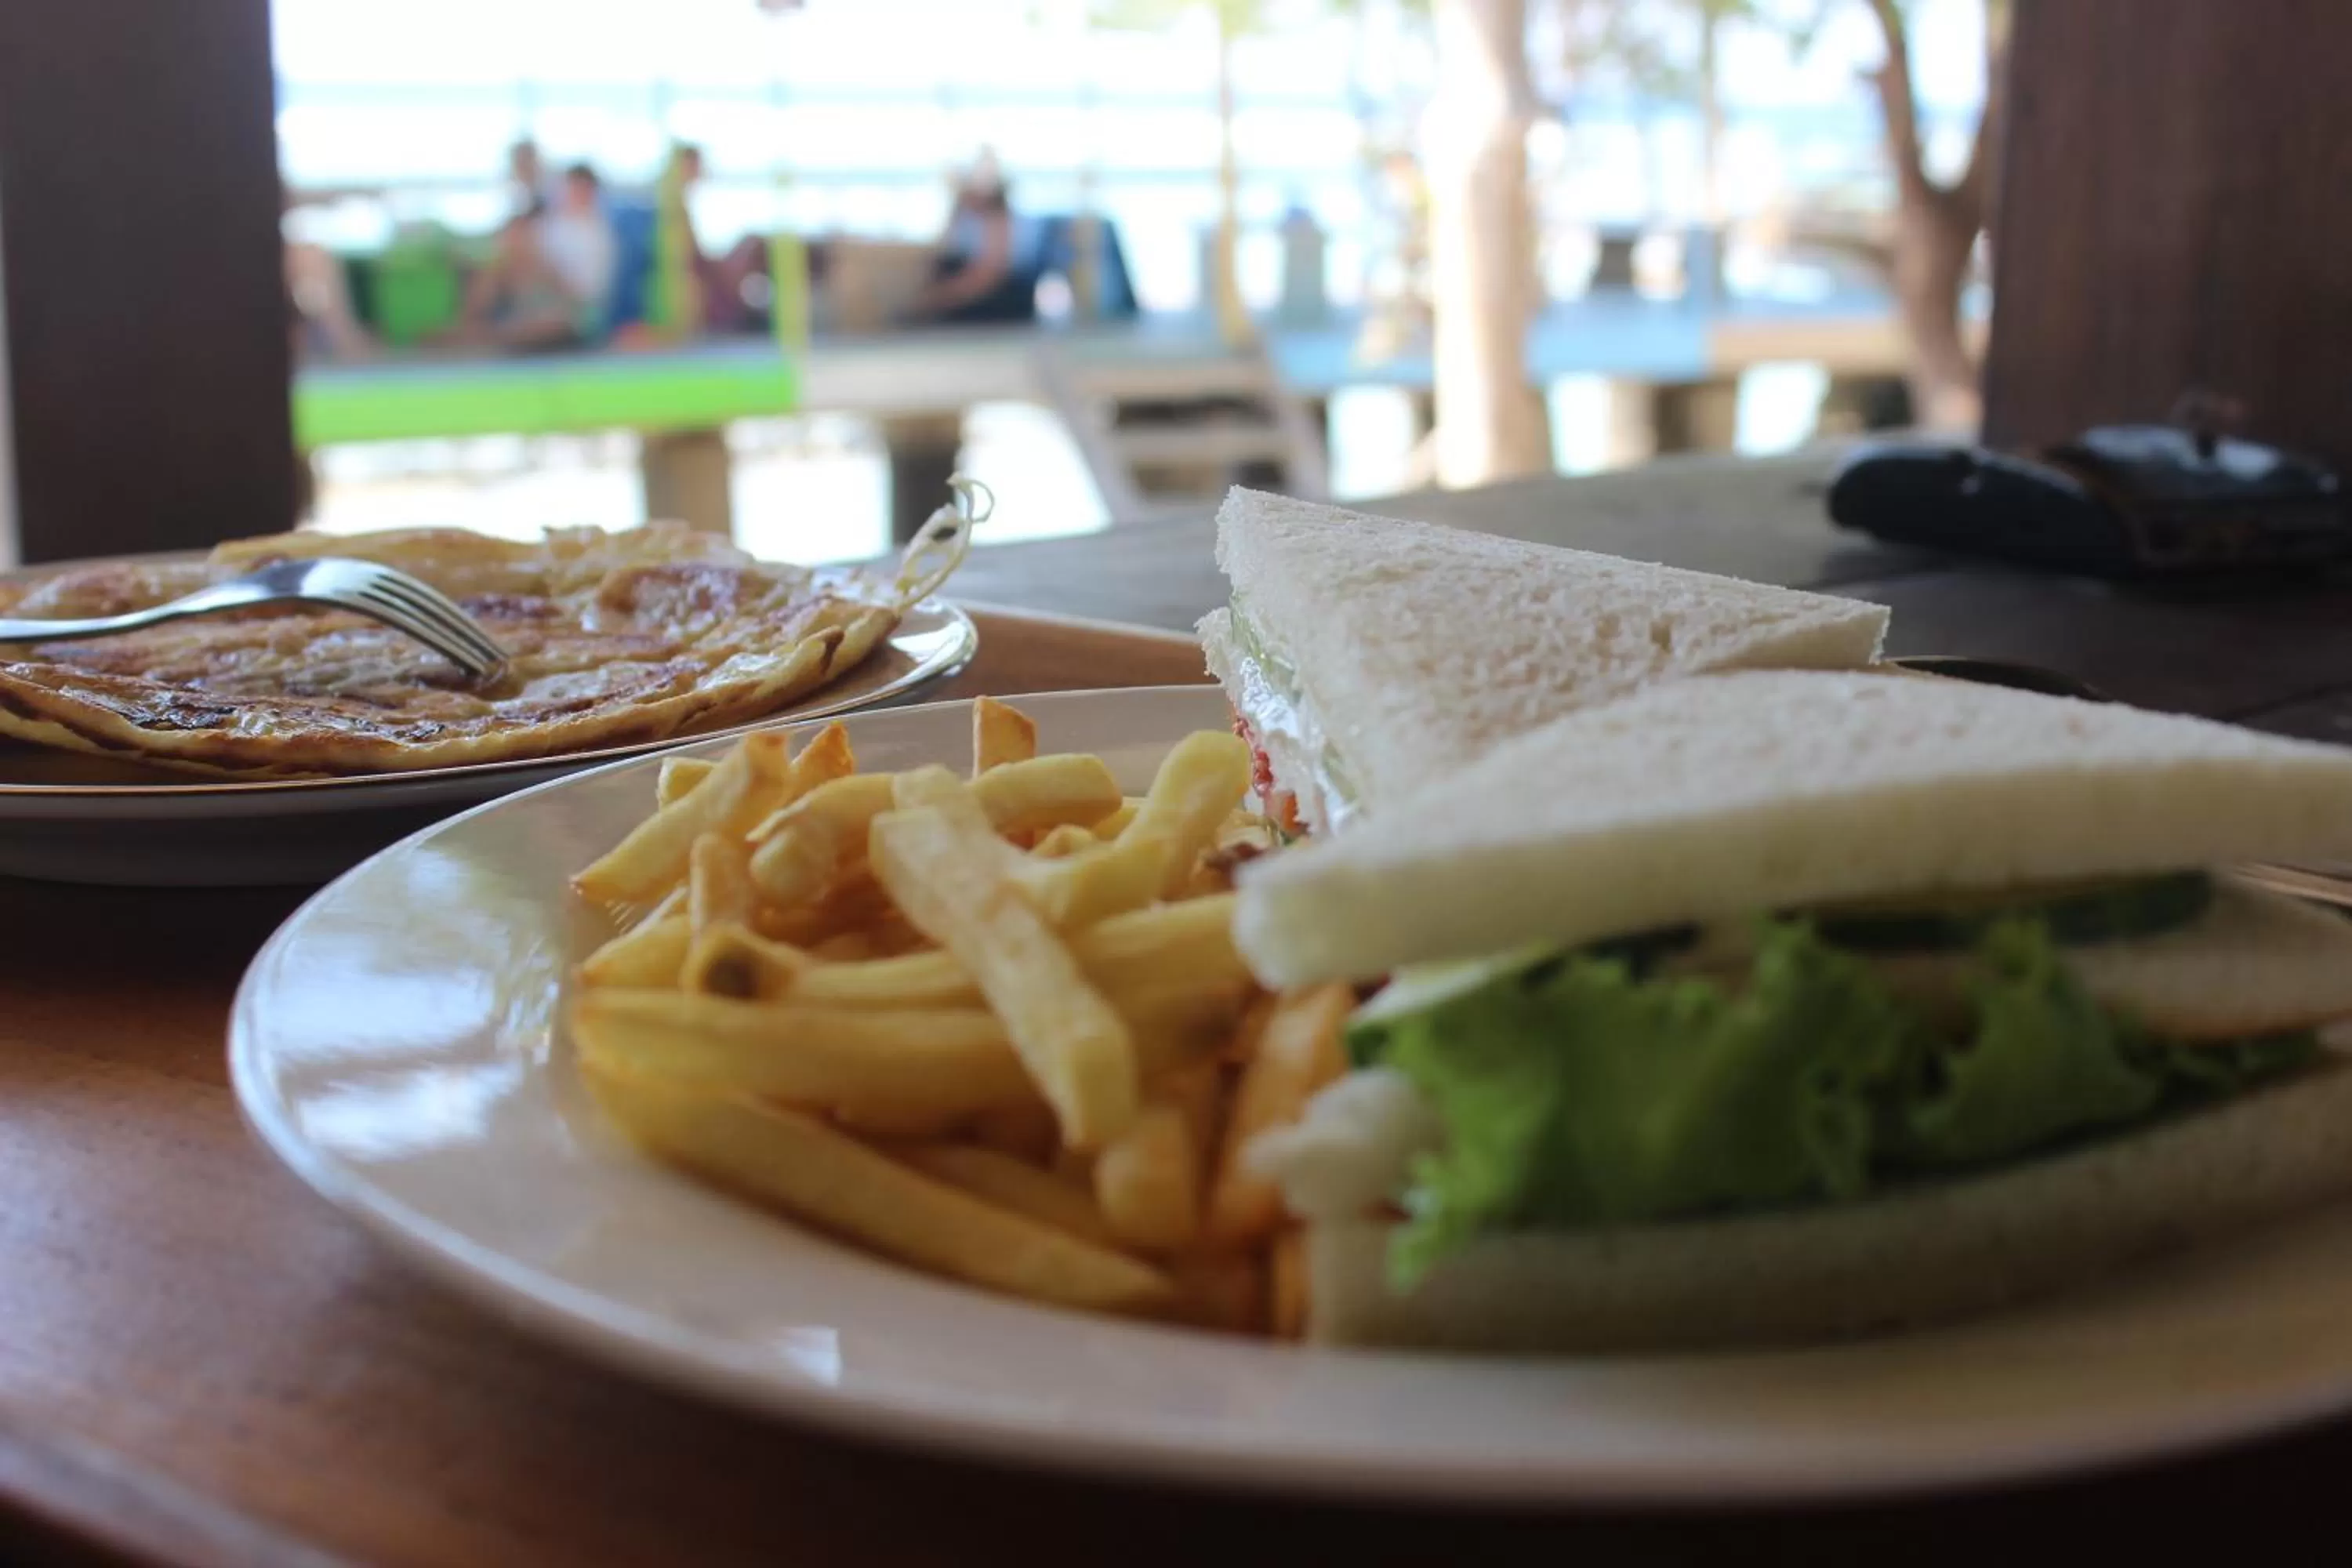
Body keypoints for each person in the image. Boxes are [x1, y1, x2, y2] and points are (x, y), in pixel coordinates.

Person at [459, 162, 617, 351]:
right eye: (571, 187)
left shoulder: (598, 235)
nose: (573, 193)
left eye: (580, 188)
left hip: (573, 311)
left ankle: (489, 332)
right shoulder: (549, 225)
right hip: (529, 299)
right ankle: (474, 321)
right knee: (505, 254)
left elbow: (584, 297)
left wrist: (548, 273)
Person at [904, 152, 1034, 325]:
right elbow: (943, 249)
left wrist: (939, 299)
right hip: (977, 292)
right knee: (943, 264)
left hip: (1002, 298)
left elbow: (987, 277)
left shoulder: (998, 219)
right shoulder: (968, 220)